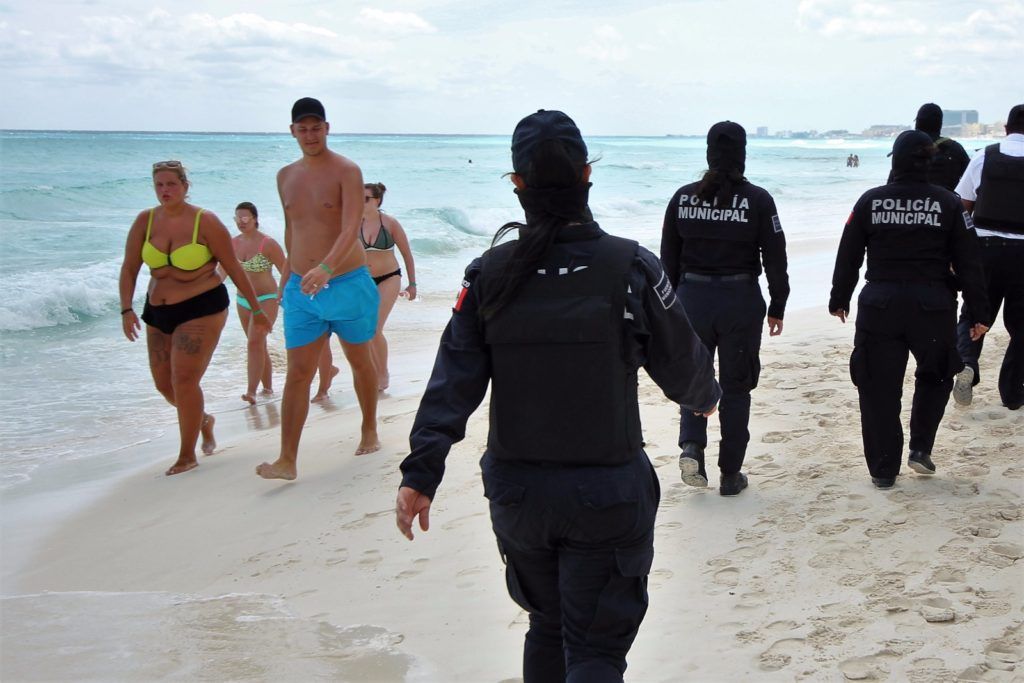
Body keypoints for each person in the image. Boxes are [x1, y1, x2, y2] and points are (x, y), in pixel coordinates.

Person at [395, 110, 720, 682]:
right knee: (594, 651)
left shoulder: (488, 272)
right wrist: (704, 396)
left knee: (547, 624)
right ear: (587, 174)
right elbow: (682, 363)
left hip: (519, 496)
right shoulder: (630, 266)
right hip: (607, 490)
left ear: (517, 183)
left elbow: (454, 379)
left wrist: (421, 472)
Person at [829, 130, 991, 489]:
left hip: (880, 305)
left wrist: (839, 298)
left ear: (895, 160)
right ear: (929, 163)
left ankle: (884, 470)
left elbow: (849, 254)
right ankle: (920, 448)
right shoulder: (948, 204)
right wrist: (980, 312)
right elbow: (969, 261)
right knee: (935, 376)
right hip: (933, 306)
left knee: (877, 386)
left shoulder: (870, 201)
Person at [660, 121, 789, 496]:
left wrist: (670, 310)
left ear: (708, 154)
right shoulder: (759, 201)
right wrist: (778, 304)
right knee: (736, 386)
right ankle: (731, 473)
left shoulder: (682, 198)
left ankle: (691, 446)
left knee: (694, 377)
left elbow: (667, 261)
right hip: (739, 302)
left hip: (691, 300)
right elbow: (775, 259)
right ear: (742, 156)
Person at [256, 97, 381, 481]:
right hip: (300, 289)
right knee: (298, 373)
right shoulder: (284, 175)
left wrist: (326, 267)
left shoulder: (347, 170)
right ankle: (287, 460)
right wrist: (287, 277)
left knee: (360, 361)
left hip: (345, 283)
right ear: (292, 131)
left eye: (316, 127)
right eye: (302, 128)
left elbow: (349, 227)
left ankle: (369, 428)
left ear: (327, 128)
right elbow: (292, 229)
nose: (310, 134)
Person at [119, 161, 270, 476]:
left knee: (184, 380)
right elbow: (130, 267)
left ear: (185, 186)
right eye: (159, 185)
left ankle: (187, 454)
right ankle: (202, 419)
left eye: (172, 184)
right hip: (157, 310)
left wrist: (257, 310)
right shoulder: (145, 221)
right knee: (164, 384)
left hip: (202, 306)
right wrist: (126, 309)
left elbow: (234, 267)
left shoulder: (206, 221)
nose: (165, 190)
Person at [952, 104, 1024, 411]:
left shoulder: (985, 156)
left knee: (974, 315)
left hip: (985, 250)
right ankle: (1012, 393)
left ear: (1006, 129)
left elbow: (962, 205)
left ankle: (967, 363)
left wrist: (956, 252)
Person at [360, 182, 417, 391]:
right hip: (363, 281)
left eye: (365, 198)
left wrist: (412, 284)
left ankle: (383, 374)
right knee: (364, 331)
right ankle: (373, 371)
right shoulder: (354, 223)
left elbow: (407, 254)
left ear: (377, 201)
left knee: (374, 328)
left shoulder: (390, 223)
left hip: (389, 278)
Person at [229, 201, 286, 404]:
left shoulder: (267, 244)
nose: (241, 222)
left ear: (255, 219)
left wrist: (283, 294)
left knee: (254, 342)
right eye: (237, 218)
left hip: (267, 299)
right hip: (242, 300)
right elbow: (221, 272)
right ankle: (268, 389)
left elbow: (285, 269)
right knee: (257, 344)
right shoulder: (233, 243)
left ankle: (251, 391)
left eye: (245, 218)